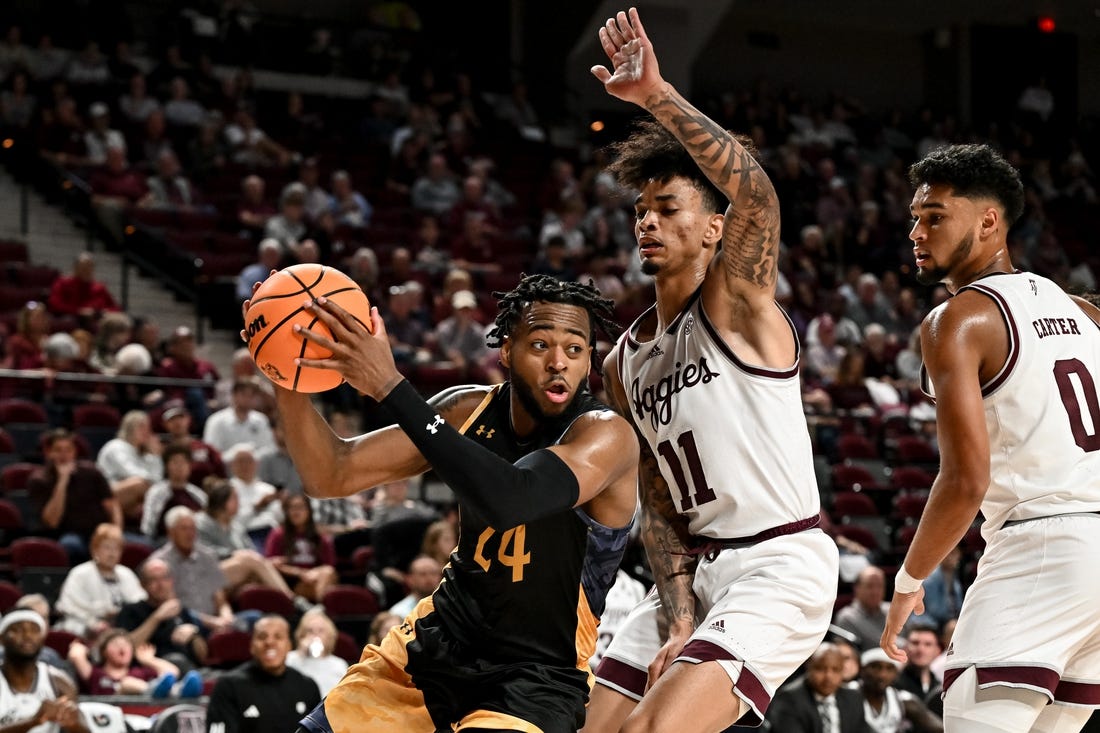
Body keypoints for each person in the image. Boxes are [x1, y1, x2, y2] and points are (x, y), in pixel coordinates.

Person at [582, 9, 838, 732]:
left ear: (717, 227)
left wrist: (658, 96)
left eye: (668, 208)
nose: (648, 223)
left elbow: (757, 192)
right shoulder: (622, 360)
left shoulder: (737, 305)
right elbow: (657, 497)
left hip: (778, 563)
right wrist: (679, 613)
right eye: (641, 211)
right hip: (694, 573)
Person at [245, 273, 639, 733]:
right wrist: (283, 368)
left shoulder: (605, 435)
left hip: (535, 675)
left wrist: (391, 387)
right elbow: (330, 472)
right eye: (540, 346)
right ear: (507, 351)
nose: (559, 363)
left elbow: (512, 499)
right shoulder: (466, 410)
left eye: (575, 350)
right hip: (435, 648)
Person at [879, 143, 1100, 732]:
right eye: (914, 219)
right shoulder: (1081, 309)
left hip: (1040, 548)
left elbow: (965, 480)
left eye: (934, 216)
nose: (917, 233)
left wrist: (908, 581)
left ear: (988, 221)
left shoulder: (957, 318)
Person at [206, 615, 321, 733]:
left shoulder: (307, 686)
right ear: (251, 646)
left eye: (278, 637)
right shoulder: (228, 686)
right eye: (262, 637)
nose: (270, 642)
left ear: (289, 645)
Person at [28, 429, 121, 563]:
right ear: (48, 453)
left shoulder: (91, 472)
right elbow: (52, 521)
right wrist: (62, 481)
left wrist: (117, 531)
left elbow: (112, 505)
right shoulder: (39, 480)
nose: (64, 455)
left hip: (100, 532)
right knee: (71, 545)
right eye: (58, 450)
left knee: (141, 544)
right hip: (66, 534)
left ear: (74, 452)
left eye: (68, 450)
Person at [0, 610, 88, 733]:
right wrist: (33, 721)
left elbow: (85, 730)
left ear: (43, 638)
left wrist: (72, 723)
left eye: (34, 630)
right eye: (17, 629)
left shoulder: (59, 681)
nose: (27, 636)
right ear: (1, 638)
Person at [54, 524, 146, 639]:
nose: (112, 554)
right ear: (95, 549)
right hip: (85, 625)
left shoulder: (126, 574)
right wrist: (96, 620)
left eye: (116, 549)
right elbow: (69, 606)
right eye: (107, 548)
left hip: (121, 628)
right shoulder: (80, 573)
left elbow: (140, 601)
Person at [115, 558, 207, 672]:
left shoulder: (180, 610)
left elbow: (203, 656)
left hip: (194, 670)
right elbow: (126, 648)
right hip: (155, 672)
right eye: (153, 580)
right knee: (177, 660)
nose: (160, 584)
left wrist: (194, 634)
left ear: (172, 581)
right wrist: (156, 617)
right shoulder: (131, 611)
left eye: (164, 578)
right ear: (142, 585)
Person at [765, 642, 872, 733]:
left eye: (835, 670)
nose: (828, 677)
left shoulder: (853, 697)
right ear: (808, 667)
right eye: (820, 669)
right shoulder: (789, 699)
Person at [859, 648, 943, 733]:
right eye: (876, 667)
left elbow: (941, 728)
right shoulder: (849, 694)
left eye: (889, 669)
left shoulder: (902, 700)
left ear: (896, 674)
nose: (882, 675)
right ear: (862, 669)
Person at [285, 609, 346, 697]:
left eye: (321, 631)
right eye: (310, 631)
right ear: (302, 635)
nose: (315, 635)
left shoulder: (338, 664)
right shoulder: (290, 658)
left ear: (329, 635)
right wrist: (301, 654)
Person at [834, 566, 891, 653]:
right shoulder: (846, 617)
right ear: (857, 588)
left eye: (880, 586)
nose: (875, 592)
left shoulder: (892, 610)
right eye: (870, 586)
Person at [893, 624, 943, 717]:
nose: (920, 649)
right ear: (905, 648)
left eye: (928, 644)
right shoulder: (894, 684)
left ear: (938, 651)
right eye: (915, 643)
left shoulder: (940, 688)